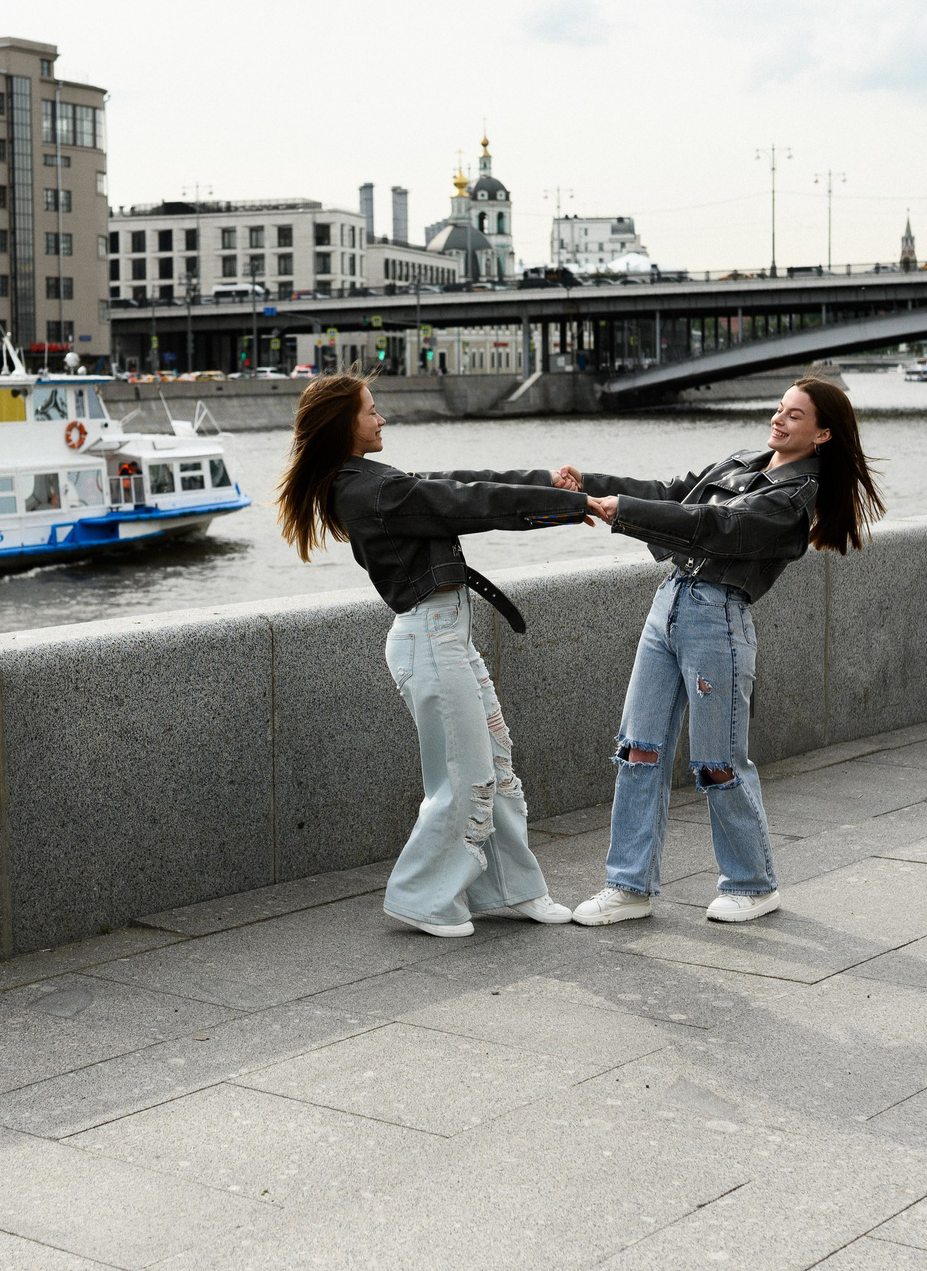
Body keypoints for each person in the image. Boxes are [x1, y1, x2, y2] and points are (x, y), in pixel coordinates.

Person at [552, 378, 882, 925]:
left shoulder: (794, 500)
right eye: (779, 409)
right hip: (670, 604)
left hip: (718, 620)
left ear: (823, 434)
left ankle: (752, 884)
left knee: (719, 761)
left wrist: (623, 513)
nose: (778, 419)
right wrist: (591, 484)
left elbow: (718, 526)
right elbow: (675, 492)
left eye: (795, 416)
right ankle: (629, 886)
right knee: (638, 747)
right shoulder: (742, 462)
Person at [277, 374, 594, 938]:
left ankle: (512, 889)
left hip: (449, 639)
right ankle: (421, 899)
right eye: (372, 412)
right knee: (463, 778)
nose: (381, 420)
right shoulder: (370, 490)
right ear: (342, 425)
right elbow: (469, 503)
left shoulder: (373, 481)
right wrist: (565, 504)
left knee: (494, 767)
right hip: (429, 641)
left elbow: (457, 485)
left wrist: (547, 484)